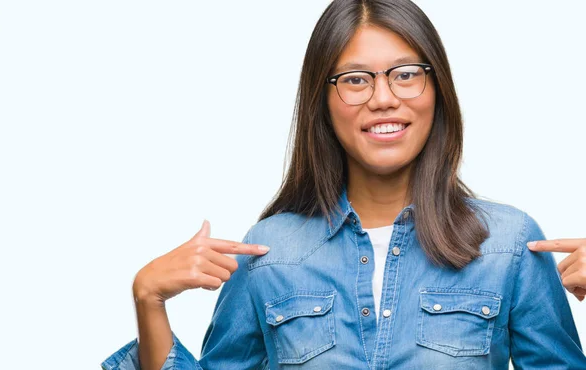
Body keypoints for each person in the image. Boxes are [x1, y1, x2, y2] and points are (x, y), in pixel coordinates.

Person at [102, 1, 586, 369]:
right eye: (356, 80)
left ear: (436, 90)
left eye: (406, 74)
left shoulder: (509, 245)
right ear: (323, 100)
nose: (383, 98)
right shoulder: (269, 252)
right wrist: (148, 298)